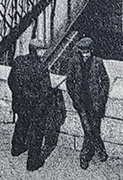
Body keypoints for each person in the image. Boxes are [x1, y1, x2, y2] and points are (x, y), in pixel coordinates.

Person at [8, 38, 54, 172]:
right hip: (35, 107)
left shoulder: (18, 61)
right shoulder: (41, 67)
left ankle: (16, 148)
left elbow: (11, 81)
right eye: (42, 49)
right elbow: (45, 92)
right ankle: (33, 162)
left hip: (20, 103)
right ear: (38, 51)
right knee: (36, 133)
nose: (44, 52)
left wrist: (18, 96)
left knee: (21, 124)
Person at [65, 35, 111, 169]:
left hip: (95, 103)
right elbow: (69, 82)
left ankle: (99, 152)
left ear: (91, 51)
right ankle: (85, 156)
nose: (85, 55)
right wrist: (75, 97)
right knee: (88, 130)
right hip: (82, 103)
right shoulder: (74, 62)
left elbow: (105, 81)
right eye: (83, 52)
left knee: (94, 129)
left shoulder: (98, 62)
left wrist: (101, 99)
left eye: (87, 52)